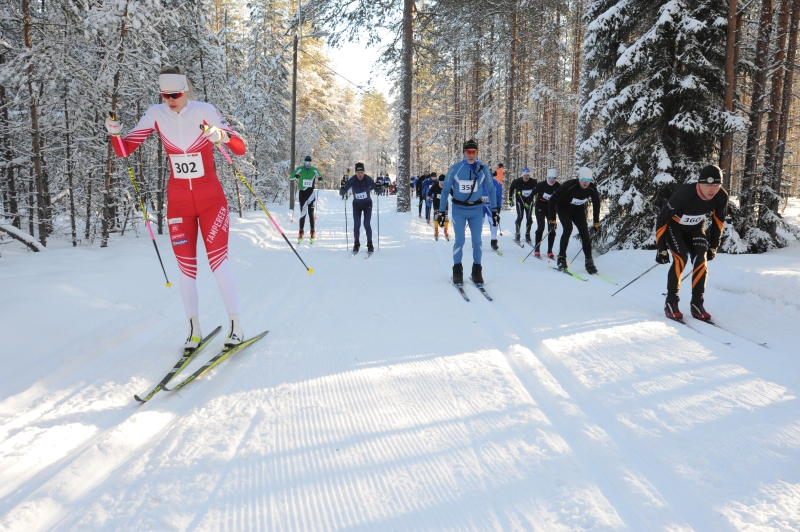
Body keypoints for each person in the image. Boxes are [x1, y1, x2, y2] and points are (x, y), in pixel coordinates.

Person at [105, 65, 246, 348]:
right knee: (186, 269)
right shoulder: (155, 114)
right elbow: (123, 150)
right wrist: (114, 133)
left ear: (186, 90)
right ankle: (194, 330)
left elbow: (240, 147)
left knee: (219, 265)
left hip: (210, 199)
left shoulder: (204, 110)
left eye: (175, 94)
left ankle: (236, 327)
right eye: (165, 94)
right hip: (179, 202)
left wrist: (222, 136)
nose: (170, 99)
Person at [656, 164, 728, 322]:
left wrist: (714, 245)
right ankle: (671, 302)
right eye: (709, 185)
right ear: (699, 183)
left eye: (717, 185)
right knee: (681, 258)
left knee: (701, 260)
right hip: (674, 227)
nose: (713, 189)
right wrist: (661, 248)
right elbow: (662, 218)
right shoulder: (685, 194)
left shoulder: (721, 196)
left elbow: (718, 221)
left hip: (695, 228)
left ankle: (697, 304)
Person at [438, 139, 498, 285]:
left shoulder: (483, 169)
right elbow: (445, 190)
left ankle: (477, 271)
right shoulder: (455, 168)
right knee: (460, 240)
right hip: (459, 209)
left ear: (476, 153)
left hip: (476, 210)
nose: (471, 155)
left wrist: (495, 211)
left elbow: (491, 190)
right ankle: (457, 270)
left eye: (474, 152)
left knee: (477, 242)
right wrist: (441, 212)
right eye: (468, 152)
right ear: (464, 152)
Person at [548, 167, 601, 274]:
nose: (586, 182)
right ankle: (561, 259)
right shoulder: (569, 185)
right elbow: (552, 200)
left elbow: (596, 203)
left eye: (589, 180)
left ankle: (589, 261)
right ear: (579, 178)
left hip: (578, 210)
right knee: (568, 228)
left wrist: (596, 222)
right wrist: (552, 220)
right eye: (584, 179)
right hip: (563, 208)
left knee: (584, 232)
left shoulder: (591, 188)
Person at [340, 162, 378, 253]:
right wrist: (342, 187)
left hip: (367, 204)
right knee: (357, 225)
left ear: (364, 172)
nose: (360, 174)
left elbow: (378, 190)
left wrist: (379, 186)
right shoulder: (352, 180)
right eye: (358, 172)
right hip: (356, 205)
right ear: (355, 173)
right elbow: (342, 193)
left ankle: (370, 243)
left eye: (361, 172)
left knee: (366, 224)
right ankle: (356, 243)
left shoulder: (368, 179)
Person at [290, 155, 323, 243]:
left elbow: (321, 179)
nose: (308, 164)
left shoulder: (314, 170)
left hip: (311, 194)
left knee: (311, 213)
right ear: (304, 162)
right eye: (306, 163)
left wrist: (320, 178)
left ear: (311, 163)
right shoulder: (300, 169)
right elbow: (291, 176)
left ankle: (312, 231)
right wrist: (296, 176)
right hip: (303, 194)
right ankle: (301, 232)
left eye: (309, 163)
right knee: (303, 213)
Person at [533, 168, 561, 258]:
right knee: (541, 227)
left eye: (554, 178)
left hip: (551, 209)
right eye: (550, 178)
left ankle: (550, 250)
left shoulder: (558, 186)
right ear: (547, 177)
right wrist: (528, 202)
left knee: (552, 229)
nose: (552, 180)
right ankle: (537, 249)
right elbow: (532, 194)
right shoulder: (541, 185)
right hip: (540, 206)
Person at [508, 167, 537, 245]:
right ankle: (517, 234)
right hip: (520, 201)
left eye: (528, 175)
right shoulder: (516, 181)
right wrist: (510, 199)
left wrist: (537, 200)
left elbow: (537, 191)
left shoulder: (533, 181)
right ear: (522, 175)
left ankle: (527, 234)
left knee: (529, 217)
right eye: (525, 175)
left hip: (529, 201)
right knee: (520, 216)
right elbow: (511, 189)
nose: (526, 177)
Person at [482, 174, 504, 250]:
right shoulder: (478, 182)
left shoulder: (496, 183)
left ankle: (494, 240)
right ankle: (476, 240)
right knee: (478, 222)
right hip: (480, 206)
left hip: (492, 206)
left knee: (494, 221)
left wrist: (498, 206)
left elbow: (499, 195)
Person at [427, 174, 450, 240]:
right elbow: (430, 191)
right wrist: (428, 197)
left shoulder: (447, 185)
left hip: (445, 202)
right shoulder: (435, 185)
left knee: (445, 216)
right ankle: (436, 230)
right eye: (441, 182)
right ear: (438, 181)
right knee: (436, 215)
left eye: (443, 182)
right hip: (436, 202)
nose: (442, 184)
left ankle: (446, 229)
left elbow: (452, 192)